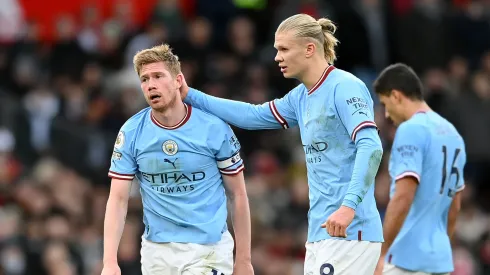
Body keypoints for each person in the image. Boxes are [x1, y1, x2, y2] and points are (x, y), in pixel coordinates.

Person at [180, 14, 383, 274]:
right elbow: (254, 115)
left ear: (310, 49)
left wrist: (348, 206)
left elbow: (371, 146)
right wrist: (189, 95)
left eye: (284, 49)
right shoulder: (301, 96)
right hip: (322, 231)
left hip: (351, 229)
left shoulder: (345, 87)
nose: (277, 57)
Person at [101, 44, 254, 275]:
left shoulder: (214, 128)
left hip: (209, 248)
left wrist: (243, 259)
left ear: (178, 80)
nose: (150, 84)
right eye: (144, 79)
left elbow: (238, 194)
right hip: (157, 251)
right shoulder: (131, 132)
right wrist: (109, 262)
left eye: (158, 76)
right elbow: (118, 199)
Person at [372, 63, 466, 275]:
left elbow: (403, 196)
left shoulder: (411, 129)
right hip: (438, 260)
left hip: (406, 258)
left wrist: (382, 253)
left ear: (396, 96)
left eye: (385, 104)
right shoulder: (453, 135)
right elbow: (455, 206)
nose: (386, 114)